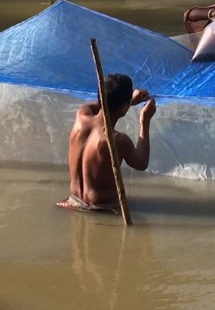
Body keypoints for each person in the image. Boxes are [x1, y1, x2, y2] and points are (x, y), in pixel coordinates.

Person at [58, 72, 156, 213]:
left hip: (73, 202)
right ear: (124, 107)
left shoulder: (81, 115)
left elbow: (99, 104)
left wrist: (127, 102)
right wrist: (144, 120)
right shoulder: (118, 140)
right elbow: (141, 163)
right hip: (102, 209)